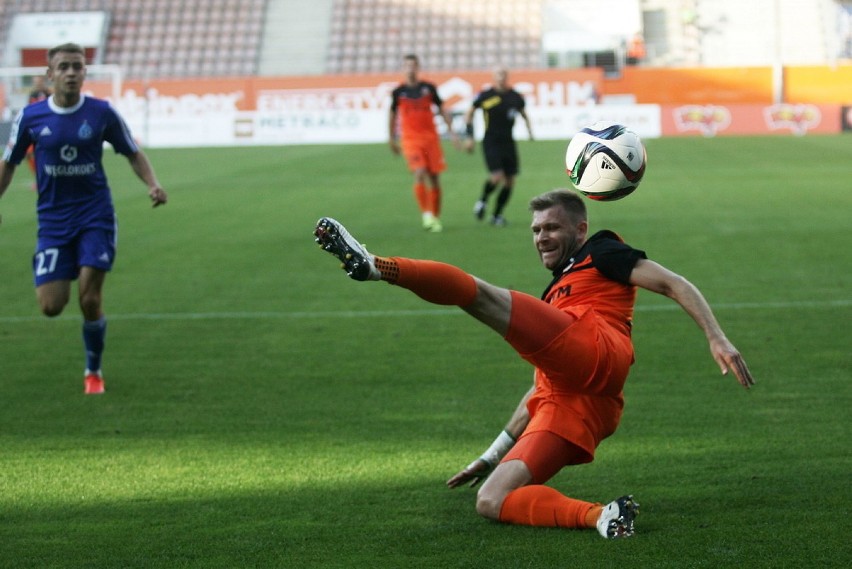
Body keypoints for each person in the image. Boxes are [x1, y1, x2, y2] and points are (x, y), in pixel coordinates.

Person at [312, 188, 754, 538]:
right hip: (577, 405)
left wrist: (716, 337)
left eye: (552, 227)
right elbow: (537, 392)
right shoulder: (553, 295)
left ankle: (375, 266)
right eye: (536, 229)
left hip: (597, 348)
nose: (541, 236)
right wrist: (489, 457)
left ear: (580, 229)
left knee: (481, 296)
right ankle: (604, 517)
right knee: (491, 500)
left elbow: (675, 284)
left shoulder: (601, 251)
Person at [0, 43, 168, 395]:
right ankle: (69, 266)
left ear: (85, 73)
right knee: (51, 306)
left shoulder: (102, 113)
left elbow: (132, 152)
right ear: (51, 75)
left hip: (95, 216)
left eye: (77, 66)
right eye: (64, 67)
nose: (72, 73)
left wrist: (152, 184)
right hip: (53, 221)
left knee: (90, 299)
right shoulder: (31, 118)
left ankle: (93, 370)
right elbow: (9, 163)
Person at [389, 54, 458, 233]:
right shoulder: (398, 92)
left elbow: (442, 109)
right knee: (419, 173)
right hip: (411, 140)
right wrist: (391, 138)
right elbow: (392, 114)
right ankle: (427, 215)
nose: (410, 69)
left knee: (434, 178)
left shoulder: (429, 88)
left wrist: (452, 132)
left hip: (431, 139)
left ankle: (434, 217)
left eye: (413, 65)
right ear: (403, 69)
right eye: (407, 66)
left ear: (417, 67)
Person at [464, 67, 533, 227]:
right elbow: (470, 113)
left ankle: (496, 215)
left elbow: (523, 113)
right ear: (493, 77)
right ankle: (482, 200)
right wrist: (469, 136)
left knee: (510, 181)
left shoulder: (515, 97)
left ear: (507, 77)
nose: (501, 78)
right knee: (497, 177)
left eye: (503, 75)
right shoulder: (486, 95)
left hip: (508, 142)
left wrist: (529, 130)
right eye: (498, 75)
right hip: (491, 141)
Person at [25, 75, 53, 190]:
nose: (37, 84)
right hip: (35, 128)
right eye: (35, 82)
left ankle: (49, 178)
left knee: (49, 153)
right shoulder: (32, 95)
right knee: (29, 153)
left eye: (39, 82)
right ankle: (39, 178)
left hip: (49, 128)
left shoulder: (49, 94)